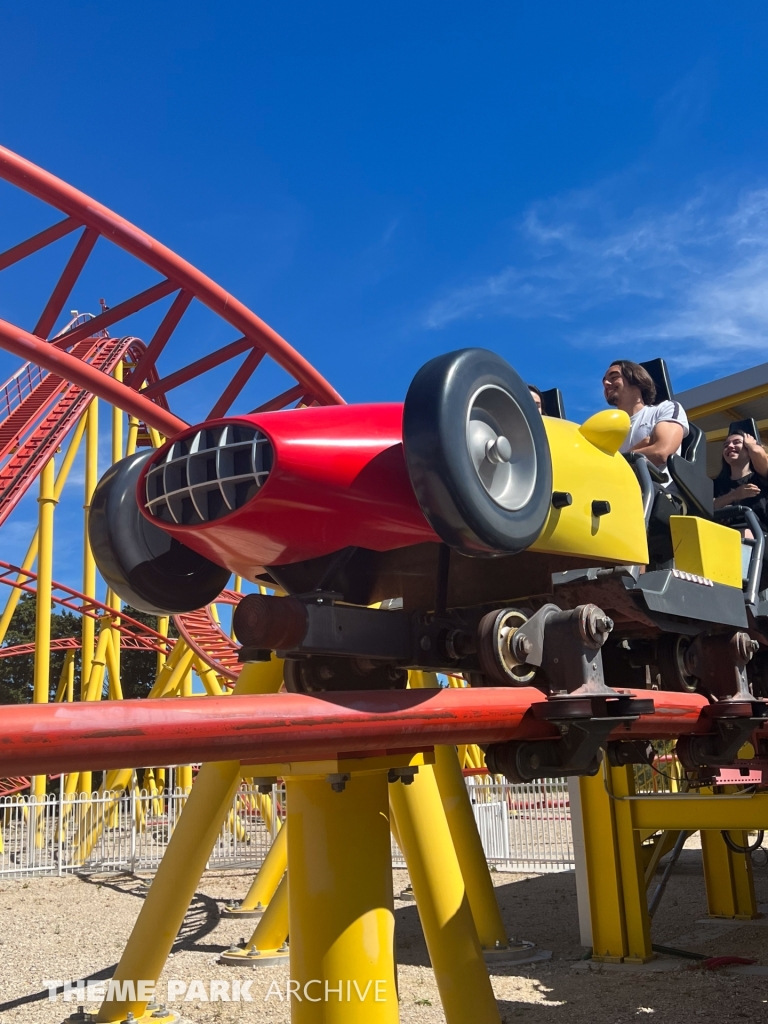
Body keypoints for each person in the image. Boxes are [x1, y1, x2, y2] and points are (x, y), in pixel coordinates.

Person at [602, 360, 689, 471]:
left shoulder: (665, 408)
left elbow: (661, 452)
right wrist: (639, 449)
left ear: (636, 379)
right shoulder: (608, 430)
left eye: (614, 377)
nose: (606, 384)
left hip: (654, 487)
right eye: (604, 381)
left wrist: (616, 462)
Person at [713, 430, 768, 527]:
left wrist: (752, 444)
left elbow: (757, 452)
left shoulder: (761, 477)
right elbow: (707, 507)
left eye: (737, 442)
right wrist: (733, 495)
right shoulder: (716, 484)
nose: (730, 446)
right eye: (726, 445)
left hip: (760, 536)